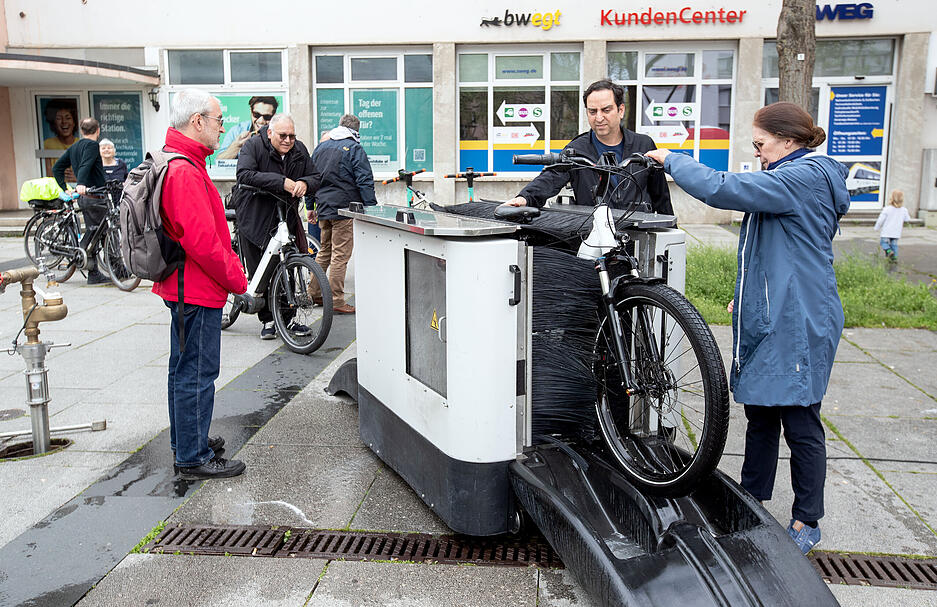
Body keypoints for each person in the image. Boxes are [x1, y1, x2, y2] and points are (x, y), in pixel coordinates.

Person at [646, 102, 850, 555]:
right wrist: (750, 292)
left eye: (760, 144)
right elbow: (779, 248)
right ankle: (751, 500)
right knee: (761, 412)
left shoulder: (801, 178)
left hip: (798, 320)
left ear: (788, 140)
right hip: (779, 311)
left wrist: (672, 159)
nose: (756, 153)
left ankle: (806, 521)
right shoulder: (791, 177)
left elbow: (724, 188)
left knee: (800, 421)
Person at [154, 89, 249, 480]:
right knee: (196, 371)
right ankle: (192, 457)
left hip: (184, 286)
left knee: (184, 369)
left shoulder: (183, 161)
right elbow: (205, 244)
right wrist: (239, 281)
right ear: (198, 122)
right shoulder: (184, 171)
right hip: (193, 288)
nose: (223, 128)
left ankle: (188, 440)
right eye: (219, 121)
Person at [502, 79, 673, 215]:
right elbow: (551, 177)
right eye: (592, 111)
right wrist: (524, 198)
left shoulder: (644, 145)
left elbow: (661, 196)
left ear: (621, 110)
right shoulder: (577, 148)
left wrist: (671, 234)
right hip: (593, 237)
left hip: (637, 236)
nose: (599, 118)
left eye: (606, 110)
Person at [234, 113, 321, 339]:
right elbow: (244, 174)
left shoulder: (298, 149)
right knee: (261, 270)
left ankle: (288, 320)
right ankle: (268, 321)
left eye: (292, 136)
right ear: (270, 132)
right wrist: (281, 182)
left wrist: (304, 183)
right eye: (283, 135)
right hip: (255, 215)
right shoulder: (253, 146)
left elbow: (316, 177)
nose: (288, 140)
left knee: (287, 267)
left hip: (286, 213)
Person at [309, 114, 377, 315]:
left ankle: (313, 292)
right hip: (344, 209)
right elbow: (364, 180)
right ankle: (336, 299)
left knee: (324, 252)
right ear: (356, 131)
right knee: (340, 255)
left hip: (323, 208)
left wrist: (310, 205)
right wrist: (371, 208)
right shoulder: (354, 148)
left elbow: (311, 178)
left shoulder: (321, 147)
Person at [52, 117, 109, 285]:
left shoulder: (74, 146)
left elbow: (57, 168)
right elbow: (85, 165)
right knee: (98, 231)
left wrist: (65, 187)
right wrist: (81, 184)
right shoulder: (92, 146)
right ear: (98, 130)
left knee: (99, 231)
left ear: (81, 131)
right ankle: (95, 271)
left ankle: (112, 269)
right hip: (94, 195)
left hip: (88, 197)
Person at [216, 95, 279, 160]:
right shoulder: (237, 131)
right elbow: (219, 161)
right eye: (256, 115)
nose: (261, 121)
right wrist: (237, 146)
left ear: (274, 115)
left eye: (267, 117)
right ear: (251, 111)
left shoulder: (280, 133)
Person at [873, 189, 912, 262]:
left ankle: (888, 251)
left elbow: (881, 220)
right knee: (894, 245)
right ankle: (894, 258)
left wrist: (876, 227)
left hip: (887, 231)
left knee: (883, 242)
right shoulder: (904, 210)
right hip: (896, 232)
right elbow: (907, 219)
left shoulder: (887, 209)